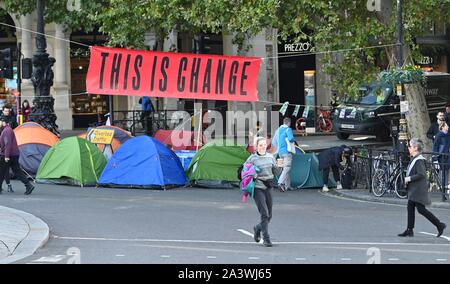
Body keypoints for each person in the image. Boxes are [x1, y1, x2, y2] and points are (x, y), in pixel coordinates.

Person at [398, 138, 446, 238]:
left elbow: (421, 174)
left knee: (421, 210)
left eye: (410, 146)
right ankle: (409, 229)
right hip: (415, 189)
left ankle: (439, 225)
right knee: (410, 207)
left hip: (418, 190)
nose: (408, 148)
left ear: (415, 148)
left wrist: (408, 179)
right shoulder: (415, 158)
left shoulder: (419, 160)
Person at [246, 137, 281, 247]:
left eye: (264, 145)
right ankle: (266, 239)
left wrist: (279, 166)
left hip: (269, 186)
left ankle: (257, 228)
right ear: (256, 147)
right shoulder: (252, 159)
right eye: (260, 145)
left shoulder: (271, 157)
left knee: (269, 216)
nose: (263, 147)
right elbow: (244, 172)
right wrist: (252, 174)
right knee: (264, 213)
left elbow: (276, 172)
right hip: (258, 187)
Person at [0, 117, 35, 195]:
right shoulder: (8, 130)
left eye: (1, 122)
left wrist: (6, 156)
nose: (1, 123)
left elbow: (7, 144)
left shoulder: (6, 131)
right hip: (14, 154)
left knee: (1, 171)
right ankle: (28, 185)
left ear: (5, 123)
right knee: (17, 171)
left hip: (8, 155)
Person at [272, 117, 295, 192]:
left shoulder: (277, 130)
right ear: (289, 123)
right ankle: (280, 182)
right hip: (287, 152)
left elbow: (273, 142)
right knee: (287, 168)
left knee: (284, 168)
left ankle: (287, 186)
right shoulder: (288, 129)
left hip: (280, 153)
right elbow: (291, 138)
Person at [432, 123, 450, 189]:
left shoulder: (448, 135)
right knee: (442, 171)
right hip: (441, 156)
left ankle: (444, 186)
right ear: (442, 127)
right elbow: (435, 146)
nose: (448, 127)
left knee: (447, 170)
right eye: (446, 125)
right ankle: (441, 186)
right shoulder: (439, 135)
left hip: (447, 155)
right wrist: (435, 158)